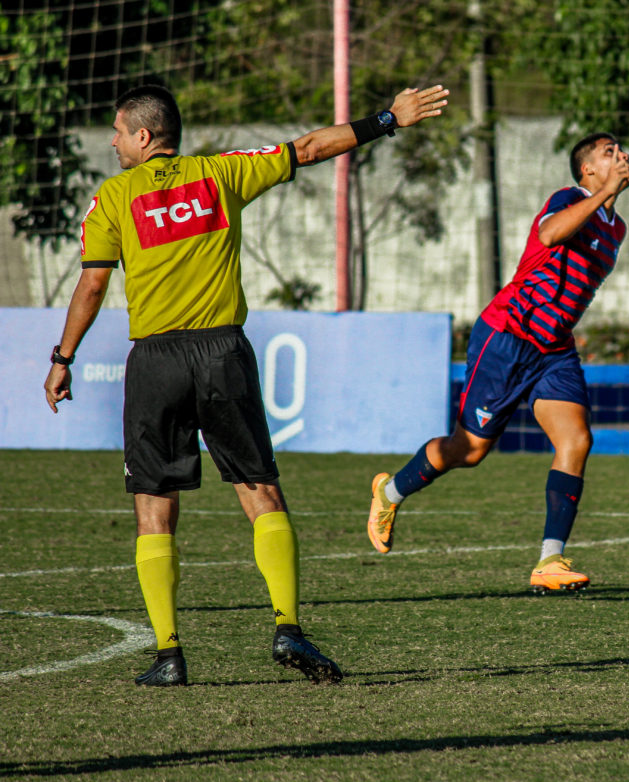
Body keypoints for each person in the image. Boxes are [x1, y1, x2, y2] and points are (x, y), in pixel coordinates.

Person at [43, 82, 449, 686]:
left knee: (154, 506)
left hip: (155, 358)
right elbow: (309, 149)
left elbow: (93, 286)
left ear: (144, 136)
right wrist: (388, 118)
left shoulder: (112, 200)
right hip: (222, 350)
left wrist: (63, 356)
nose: (113, 140)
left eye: (119, 130)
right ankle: (288, 627)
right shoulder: (221, 174)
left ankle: (168, 654)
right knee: (259, 489)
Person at [367, 132, 629, 593]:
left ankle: (550, 561)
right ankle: (390, 492)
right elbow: (550, 234)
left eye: (621, 150)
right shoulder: (569, 197)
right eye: (609, 153)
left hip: (553, 349)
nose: (623, 156)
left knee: (576, 439)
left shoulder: (617, 227)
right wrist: (605, 193)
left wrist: (609, 200)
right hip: (507, 336)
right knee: (468, 451)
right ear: (588, 170)